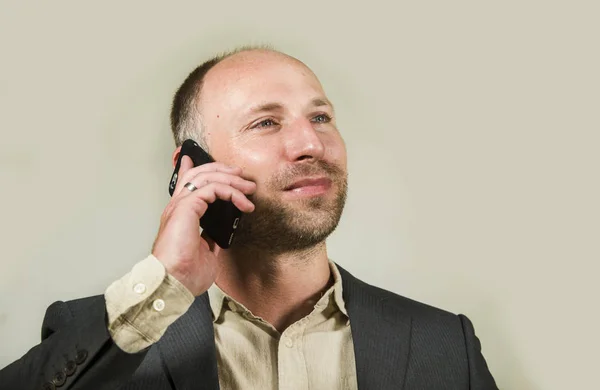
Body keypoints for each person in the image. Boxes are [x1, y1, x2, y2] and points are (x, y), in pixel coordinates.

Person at [0, 46, 498, 390]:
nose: (310, 144)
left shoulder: (443, 344)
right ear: (191, 167)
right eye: (266, 122)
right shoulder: (110, 333)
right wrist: (162, 285)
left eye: (320, 117)